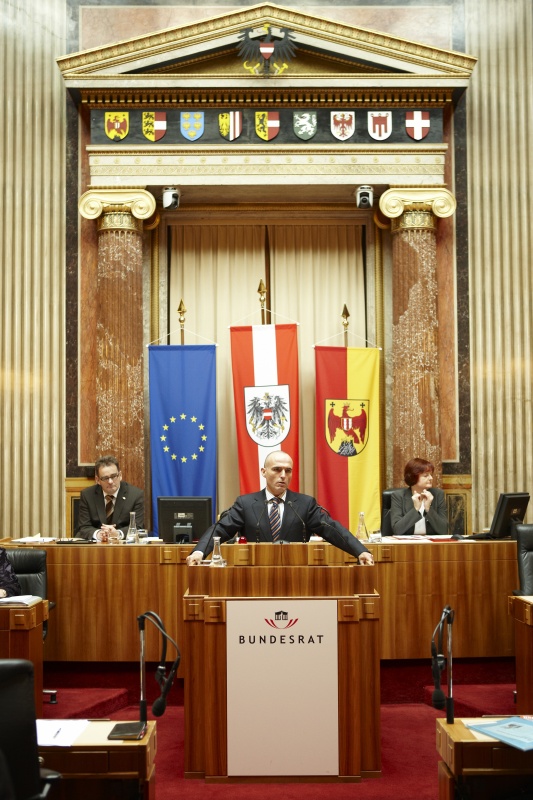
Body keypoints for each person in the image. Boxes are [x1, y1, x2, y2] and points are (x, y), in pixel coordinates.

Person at [186, 450, 374, 565]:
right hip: (255, 576)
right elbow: (220, 529)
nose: (283, 475)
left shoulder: (305, 504)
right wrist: (199, 551)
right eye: (277, 469)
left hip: (297, 577)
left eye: (288, 470)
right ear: (264, 472)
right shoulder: (246, 504)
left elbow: (332, 529)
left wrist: (360, 551)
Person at [77, 455, 144, 541]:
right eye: (105, 478)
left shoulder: (135, 495)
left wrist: (118, 534)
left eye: (113, 476)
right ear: (97, 480)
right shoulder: (87, 495)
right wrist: (98, 534)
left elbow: (138, 527)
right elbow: (84, 527)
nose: (110, 481)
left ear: (120, 475)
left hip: (123, 545)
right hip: (96, 545)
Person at [390, 457, 448, 536]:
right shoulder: (398, 496)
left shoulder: (438, 495)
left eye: (431, 475)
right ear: (413, 477)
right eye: (426, 475)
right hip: (407, 542)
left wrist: (428, 509)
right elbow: (397, 530)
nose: (431, 478)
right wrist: (415, 509)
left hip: (431, 542)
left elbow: (444, 530)